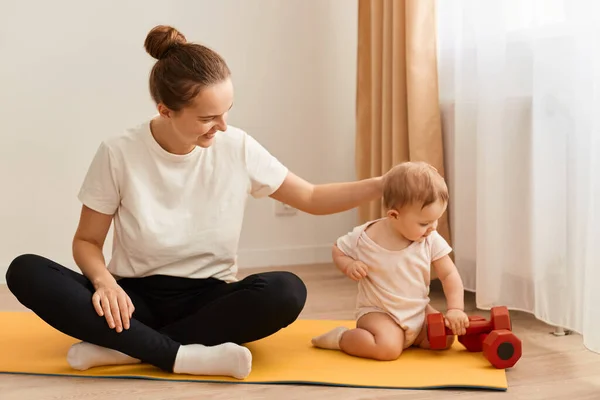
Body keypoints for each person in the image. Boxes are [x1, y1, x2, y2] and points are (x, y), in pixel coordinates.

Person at [5, 25, 388, 380]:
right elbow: (87, 241)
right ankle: (180, 355)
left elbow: (311, 197)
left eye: (227, 112)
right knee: (25, 271)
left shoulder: (237, 146)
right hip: (135, 298)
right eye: (208, 117)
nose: (222, 126)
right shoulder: (119, 152)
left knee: (287, 290)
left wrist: (383, 183)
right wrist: (105, 284)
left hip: (209, 300)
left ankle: (130, 347)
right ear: (165, 111)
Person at [311, 161, 470, 361]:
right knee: (387, 349)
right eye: (424, 223)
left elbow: (449, 275)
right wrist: (348, 265)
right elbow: (339, 249)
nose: (432, 227)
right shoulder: (365, 237)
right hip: (380, 312)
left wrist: (456, 309)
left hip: (419, 310)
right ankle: (341, 338)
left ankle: (409, 339)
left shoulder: (430, 238)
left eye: (436, 220)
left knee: (444, 339)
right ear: (394, 215)